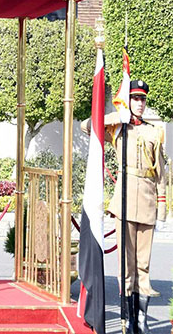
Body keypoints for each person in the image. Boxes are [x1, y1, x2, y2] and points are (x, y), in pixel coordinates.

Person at [81, 80, 166, 334]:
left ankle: (142, 318)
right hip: (124, 203)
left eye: (142, 99)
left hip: (147, 203)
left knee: (143, 265)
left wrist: (162, 209)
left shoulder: (154, 132)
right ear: (128, 101)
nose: (139, 104)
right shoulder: (118, 128)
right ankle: (128, 317)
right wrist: (117, 116)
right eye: (135, 99)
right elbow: (88, 126)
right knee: (126, 266)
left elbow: (161, 174)